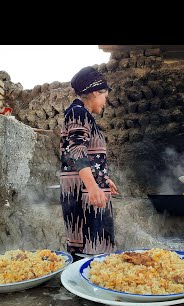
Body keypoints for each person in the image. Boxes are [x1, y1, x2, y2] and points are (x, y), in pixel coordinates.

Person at [59, 66, 119, 261]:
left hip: (86, 189)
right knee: (91, 252)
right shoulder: (79, 113)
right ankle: (88, 287)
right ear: (95, 92)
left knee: (91, 249)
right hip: (84, 194)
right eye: (105, 97)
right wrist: (93, 186)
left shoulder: (80, 114)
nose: (105, 102)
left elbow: (86, 153)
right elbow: (76, 152)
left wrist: (103, 178)